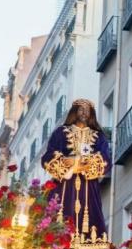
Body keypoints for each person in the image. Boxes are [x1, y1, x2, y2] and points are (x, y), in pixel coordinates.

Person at [43, 99, 111, 237]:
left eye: (88, 110)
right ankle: (60, 238)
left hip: (88, 186)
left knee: (91, 219)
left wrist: (88, 163)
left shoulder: (98, 136)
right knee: (61, 213)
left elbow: (105, 159)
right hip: (64, 185)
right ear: (75, 112)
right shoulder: (61, 133)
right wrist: (69, 163)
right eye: (81, 109)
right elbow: (48, 157)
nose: (84, 113)